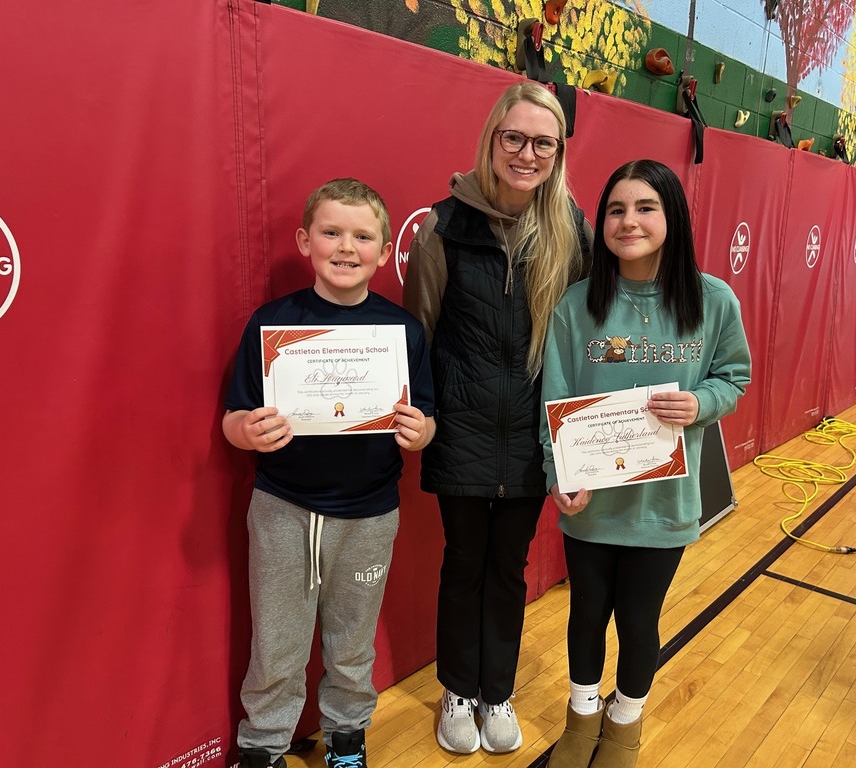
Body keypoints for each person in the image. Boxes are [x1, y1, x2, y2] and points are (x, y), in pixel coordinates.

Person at [540, 159, 751, 768]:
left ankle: (625, 721)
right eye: (615, 209)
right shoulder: (576, 306)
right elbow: (554, 397)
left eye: (644, 207)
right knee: (586, 614)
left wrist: (701, 402)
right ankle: (581, 717)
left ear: (672, 216)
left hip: (664, 504)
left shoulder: (713, 301)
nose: (628, 220)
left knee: (638, 620)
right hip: (591, 502)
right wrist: (560, 475)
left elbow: (732, 377)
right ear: (600, 222)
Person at [404, 81, 591, 755]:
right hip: (461, 434)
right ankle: (458, 688)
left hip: (532, 442)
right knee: (464, 565)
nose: (527, 152)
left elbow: (586, 344)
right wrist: (426, 417)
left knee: (509, 569)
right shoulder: (440, 228)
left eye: (543, 142)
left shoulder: (571, 231)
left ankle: (496, 691)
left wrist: (579, 448)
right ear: (492, 139)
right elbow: (419, 338)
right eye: (514, 137)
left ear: (557, 151)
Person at [224, 178, 436, 768]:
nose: (347, 246)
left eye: (363, 236)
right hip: (282, 507)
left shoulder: (404, 333)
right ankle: (263, 744)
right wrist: (245, 431)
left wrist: (423, 432)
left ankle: (347, 735)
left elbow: (428, 419)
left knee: (352, 640)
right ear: (305, 241)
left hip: (369, 513)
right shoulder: (273, 324)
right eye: (332, 232)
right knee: (278, 640)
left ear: (383, 247)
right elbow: (233, 417)